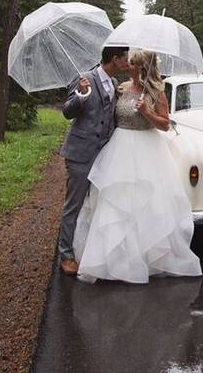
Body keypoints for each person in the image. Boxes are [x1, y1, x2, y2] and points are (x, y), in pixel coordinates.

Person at [73, 49, 202, 284]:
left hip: (147, 150)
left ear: (141, 67)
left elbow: (165, 125)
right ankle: (114, 260)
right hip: (119, 149)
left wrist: (147, 111)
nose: (126, 65)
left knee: (146, 206)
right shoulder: (120, 88)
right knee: (115, 204)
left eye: (131, 63)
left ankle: (146, 258)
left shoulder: (156, 92)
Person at [57, 46, 130, 276]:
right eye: (125, 58)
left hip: (104, 154)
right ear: (115, 59)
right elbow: (67, 112)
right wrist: (81, 95)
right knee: (74, 205)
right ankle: (66, 255)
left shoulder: (114, 82)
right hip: (81, 153)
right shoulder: (85, 79)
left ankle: (91, 249)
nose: (128, 61)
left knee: (99, 203)